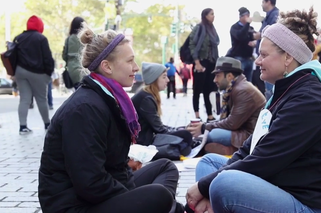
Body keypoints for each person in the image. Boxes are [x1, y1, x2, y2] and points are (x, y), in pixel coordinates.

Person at [185, 7, 321, 213]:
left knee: (223, 183)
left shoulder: (309, 97)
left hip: (302, 201)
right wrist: (206, 187)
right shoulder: (284, 91)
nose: (257, 61)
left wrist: (205, 187)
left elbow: (265, 159)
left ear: (288, 57)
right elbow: (249, 150)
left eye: (263, 55)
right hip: (277, 183)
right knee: (209, 163)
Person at [38, 24, 185, 213]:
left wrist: (131, 185)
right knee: (159, 196)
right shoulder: (85, 109)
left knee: (165, 167)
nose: (136, 67)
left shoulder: (107, 99)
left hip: (99, 192)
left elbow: (105, 162)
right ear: (107, 66)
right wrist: (134, 197)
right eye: (130, 61)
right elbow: (90, 182)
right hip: (75, 205)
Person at [186, 56, 265, 155]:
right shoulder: (235, 88)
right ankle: (226, 150)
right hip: (241, 131)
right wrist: (204, 126)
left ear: (229, 76)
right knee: (210, 134)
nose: (214, 80)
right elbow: (227, 121)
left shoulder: (243, 91)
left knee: (213, 134)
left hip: (250, 136)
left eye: (217, 75)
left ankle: (235, 151)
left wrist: (204, 127)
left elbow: (232, 123)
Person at [131, 62, 193, 160]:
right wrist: (182, 131)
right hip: (144, 143)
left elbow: (159, 127)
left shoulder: (147, 95)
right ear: (154, 79)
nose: (168, 80)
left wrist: (181, 128)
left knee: (185, 135)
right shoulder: (146, 99)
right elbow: (159, 130)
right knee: (186, 136)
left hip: (147, 138)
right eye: (164, 77)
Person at [14, 15, 54, 134]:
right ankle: (47, 124)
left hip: (20, 71)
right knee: (41, 99)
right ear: (40, 26)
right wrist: (48, 74)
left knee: (24, 99)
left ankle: (22, 126)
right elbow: (47, 58)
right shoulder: (41, 38)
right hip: (38, 73)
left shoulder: (18, 38)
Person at [189, 8, 220, 122]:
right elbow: (192, 45)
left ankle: (210, 114)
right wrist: (196, 62)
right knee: (197, 89)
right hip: (200, 62)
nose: (213, 16)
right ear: (205, 16)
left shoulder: (212, 29)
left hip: (211, 63)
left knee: (209, 89)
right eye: (211, 14)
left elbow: (215, 44)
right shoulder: (199, 28)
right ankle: (197, 115)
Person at [252, 0, 279, 98]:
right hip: (267, 57)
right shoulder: (269, 16)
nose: (261, 4)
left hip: (269, 58)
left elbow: (272, 34)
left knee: (271, 92)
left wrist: (259, 35)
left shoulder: (275, 15)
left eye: (263, 2)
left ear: (268, 2)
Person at [228, 7, 256, 81]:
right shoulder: (234, 27)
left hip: (249, 58)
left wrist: (255, 40)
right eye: (246, 16)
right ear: (241, 17)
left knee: (248, 82)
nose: (248, 18)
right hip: (239, 58)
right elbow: (240, 36)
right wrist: (247, 24)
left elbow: (254, 36)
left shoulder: (251, 28)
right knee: (238, 81)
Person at [62, 16, 88, 89]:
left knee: (77, 90)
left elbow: (64, 56)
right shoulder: (87, 38)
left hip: (72, 68)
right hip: (85, 67)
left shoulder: (69, 39)